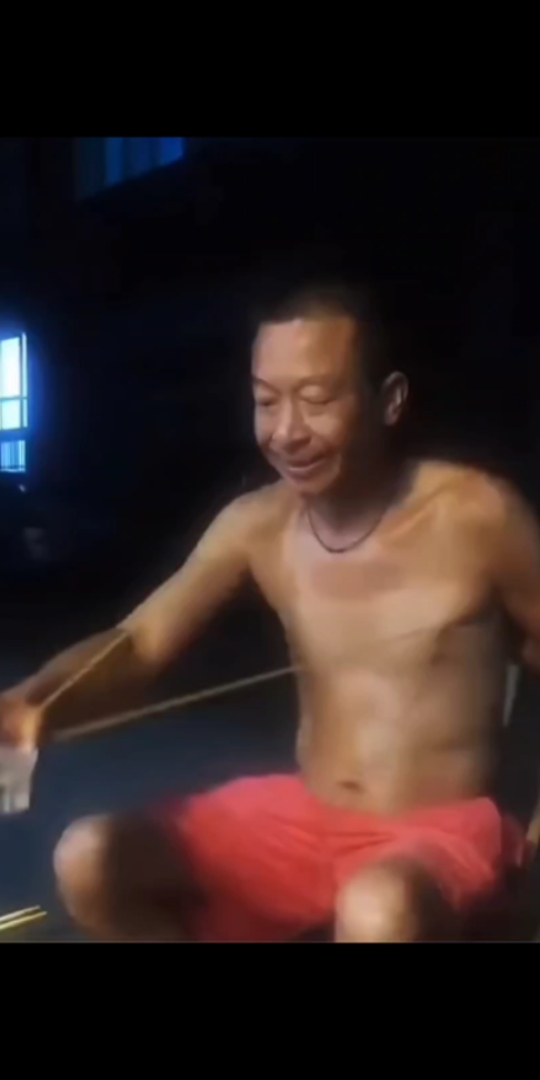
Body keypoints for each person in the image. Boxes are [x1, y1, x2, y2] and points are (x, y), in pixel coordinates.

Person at [0, 283, 536, 942]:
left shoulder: (478, 515)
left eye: (316, 399)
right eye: (266, 400)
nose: (286, 431)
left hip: (438, 833)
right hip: (303, 817)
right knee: (90, 858)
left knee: (378, 912)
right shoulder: (257, 524)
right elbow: (138, 643)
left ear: (389, 400)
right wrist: (36, 699)